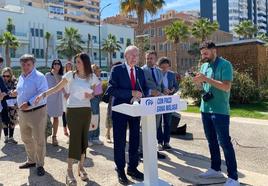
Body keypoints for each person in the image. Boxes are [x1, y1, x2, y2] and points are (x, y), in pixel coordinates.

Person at [35, 53, 99, 185]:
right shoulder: (71, 75)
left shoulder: (91, 76)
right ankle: (69, 170)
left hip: (86, 111)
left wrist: (91, 94)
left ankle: (80, 167)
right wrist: (44, 94)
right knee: (75, 139)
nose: (77, 64)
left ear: (85, 63)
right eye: (76, 61)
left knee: (83, 140)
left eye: (79, 62)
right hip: (73, 111)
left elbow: (97, 90)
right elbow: (57, 88)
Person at [193, 41, 240, 186]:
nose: (203, 56)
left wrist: (205, 78)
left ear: (214, 50)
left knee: (224, 142)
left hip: (220, 110)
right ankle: (215, 169)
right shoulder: (204, 66)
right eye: (202, 54)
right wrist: (197, 82)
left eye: (206, 53)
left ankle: (233, 177)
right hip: (205, 109)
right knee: (211, 141)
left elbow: (226, 87)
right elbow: (204, 87)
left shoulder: (226, 65)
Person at [107, 46, 148, 185]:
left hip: (136, 111)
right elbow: (111, 89)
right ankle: (120, 170)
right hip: (120, 112)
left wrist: (142, 95)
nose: (134, 58)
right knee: (120, 141)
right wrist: (130, 93)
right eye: (132, 55)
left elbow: (145, 88)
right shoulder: (117, 70)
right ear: (125, 56)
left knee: (135, 140)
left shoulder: (140, 71)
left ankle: (132, 168)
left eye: (137, 55)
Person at [12, 54, 48, 176]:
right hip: (23, 113)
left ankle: (40, 164)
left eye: (28, 64)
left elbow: (42, 92)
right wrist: (14, 93)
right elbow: (21, 90)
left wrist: (28, 102)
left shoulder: (39, 76)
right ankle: (31, 160)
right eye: (23, 64)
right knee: (26, 138)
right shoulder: (21, 76)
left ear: (33, 64)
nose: (25, 67)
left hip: (37, 112)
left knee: (39, 140)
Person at [141, 50, 166, 159]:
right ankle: (141, 150)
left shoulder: (159, 71)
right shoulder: (141, 70)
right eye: (147, 58)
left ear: (155, 59)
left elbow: (159, 86)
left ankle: (152, 151)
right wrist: (150, 92)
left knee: (155, 127)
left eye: (151, 58)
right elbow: (139, 87)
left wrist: (164, 90)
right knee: (145, 128)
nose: (149, 60)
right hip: (147, 102)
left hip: (158, 104)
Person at [157, 57, 179, 150]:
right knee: (158, 122)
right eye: (162, 67)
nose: (165, 70)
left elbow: (176, 86)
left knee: (167, 122)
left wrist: (173, 89)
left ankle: (166, 142)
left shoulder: (172, 74)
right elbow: (154, 86)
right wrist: (162, 91)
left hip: (168, 101)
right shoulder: (156, 74)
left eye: (166, 67)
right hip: (158, 101)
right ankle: (159, 142)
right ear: (159, 66)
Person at [45, 59, 64, 146]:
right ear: (52, 65)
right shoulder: (47, 75)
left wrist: (56, 74)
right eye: (55, 64)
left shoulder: (61, 76)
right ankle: (44, 137)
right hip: (48, 100)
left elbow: (59, 86)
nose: (57, 65)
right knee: (46, 119)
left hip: (57, 99)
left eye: (58, 64)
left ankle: (54, 137)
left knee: (56, 118)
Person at [104, 61, 122, 143]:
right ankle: (108, 134)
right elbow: (110, 87)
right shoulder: (112, 75)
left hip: (122, 98)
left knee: (121, 117)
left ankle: (120, 135)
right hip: (113, 98)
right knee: (110, 115)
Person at [2, 67, 18, 144]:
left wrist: (6, 93)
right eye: (4, 76)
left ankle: (11, 137)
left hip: (13, 104)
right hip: (3, 103)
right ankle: (6, 137)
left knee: (12, 120)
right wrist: (8, 93)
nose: (5, 78)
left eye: (7, 76)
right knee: (4, 120)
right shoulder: (1, 80)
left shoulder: (14, 81)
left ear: (11, 75)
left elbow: (16, 90)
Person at [88, 64, 103, 146]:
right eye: (98, 69)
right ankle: (89, 138)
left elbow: (99, 91)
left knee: (97, 118)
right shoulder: (91, 78)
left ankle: (95, 137)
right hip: (92, 99)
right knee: (92, 118)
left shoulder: (98, 78)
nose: (99, 71)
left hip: (96, 99)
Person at [62, 61, 73, 137]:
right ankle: (65, 128)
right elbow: (61, 86)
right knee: (64, 112)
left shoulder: (74, 75)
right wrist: (65, 93)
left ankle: (71, 128)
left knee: (70, 113)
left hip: (71, 95)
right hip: (64, 96)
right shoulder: (64, 75)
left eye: (70, 65)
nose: (69, 67)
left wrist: (70, 94)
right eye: (67, 66)